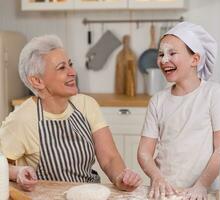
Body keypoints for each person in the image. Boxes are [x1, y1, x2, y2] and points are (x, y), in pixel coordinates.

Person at [0, 35, 141, 192]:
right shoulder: (22, 119)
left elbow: (109, 158)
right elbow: (2, 167)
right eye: (62, 68)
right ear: (37, 81)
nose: (73, 72)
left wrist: (120, 178)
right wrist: (17, 172)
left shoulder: (86, 104)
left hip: (89, 193)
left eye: (70, 64)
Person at [137, 22, 220, 200]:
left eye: (172, 53)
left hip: (202, 192)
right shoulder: (158, 101)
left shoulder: (214, 94)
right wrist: (157, 178)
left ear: (195, 59)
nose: (164, 60)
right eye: (161, 54)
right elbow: (144, 152)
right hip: (165, 192)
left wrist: (201, 186)